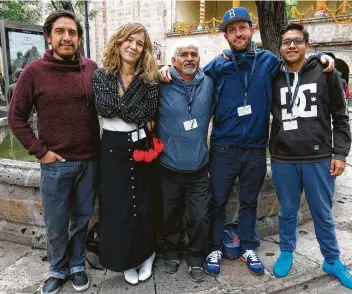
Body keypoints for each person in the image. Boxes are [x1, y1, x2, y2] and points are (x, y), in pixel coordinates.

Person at [158, 7, 335, 277]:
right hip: (223, 148)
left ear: (251, 30)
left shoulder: (268, 62)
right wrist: (165, 68)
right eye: (232, 29)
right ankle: (214, 246)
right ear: (226, 35)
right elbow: (189, 77)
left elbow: (296, 62)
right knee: (216, 202)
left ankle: (249, 246)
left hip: (254, 148)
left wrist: (322, 55)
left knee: (249, 201)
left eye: (243, 27)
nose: (238, 33)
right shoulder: (217, 65)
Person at [7, 10, 100, 294]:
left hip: (90, 161)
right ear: (49, 36)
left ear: (79, 38)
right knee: (57, 222)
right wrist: (40, 151)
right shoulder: (35, 71)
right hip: (56, 164)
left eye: (72, 32)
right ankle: (57, 270)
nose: (66, 37)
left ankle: (77, 266)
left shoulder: (91, 69)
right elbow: (16, 117)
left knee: (82, 219)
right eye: (60, 31)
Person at [270, 23, 352, 289]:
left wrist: (340, 153)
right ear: (280, 47)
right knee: (287, 212)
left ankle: (331, 259)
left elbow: (340, 115)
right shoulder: (273, 75)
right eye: (286, 42)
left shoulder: (325, 71)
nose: (291, 45)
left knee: (323, 213)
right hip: (283, 158)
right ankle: (286, 252)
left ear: (306, 45)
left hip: (318, 158)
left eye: (297, 41)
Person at [92, 23, 159, 286]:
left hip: (142, 147)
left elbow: (145, 112)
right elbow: (106, 108)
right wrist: (131, 106)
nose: (133, 46)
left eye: (140, 43)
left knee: (144, 203)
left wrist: (123, 106)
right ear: (118, 43)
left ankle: (148, 253)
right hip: (111, 147)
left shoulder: (150, 78)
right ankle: (127, 258)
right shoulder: (101, 75)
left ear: (145, 50)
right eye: (128, 41)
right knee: (116, 206)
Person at [157, 39, 213, 283]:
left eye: (194, 54)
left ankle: (196, 258)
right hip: (168, 166)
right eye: (183, 54)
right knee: (169, 214)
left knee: (200, 216)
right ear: (173, 61)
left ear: (199, 60)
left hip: (199, 166)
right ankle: (171, 252)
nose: (189, 58)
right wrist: (158, 71)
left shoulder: (209, 83)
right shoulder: (160, 83)